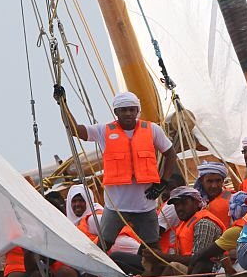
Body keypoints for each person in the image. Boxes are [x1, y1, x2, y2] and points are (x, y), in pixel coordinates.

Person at [55, 88, 179, 250]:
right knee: (103, 247)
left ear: (137, 111)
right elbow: (75, 130)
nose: (128, 113)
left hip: (145, 205)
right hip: (116, 208)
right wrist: (63, 104)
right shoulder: (103, 131)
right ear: (116, 112)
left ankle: (155, 275)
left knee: (153, 248)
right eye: (123, 110)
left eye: (132, 109)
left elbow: (170, 154)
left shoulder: (153, 130)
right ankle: (94, 276)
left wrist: (164, 181)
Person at [194, 161, 232, 225]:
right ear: (201, 181)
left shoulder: (233, 201)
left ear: (223, 180)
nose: (214, 185)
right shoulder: (194, 202)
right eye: (209, 181)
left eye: (218, 181)